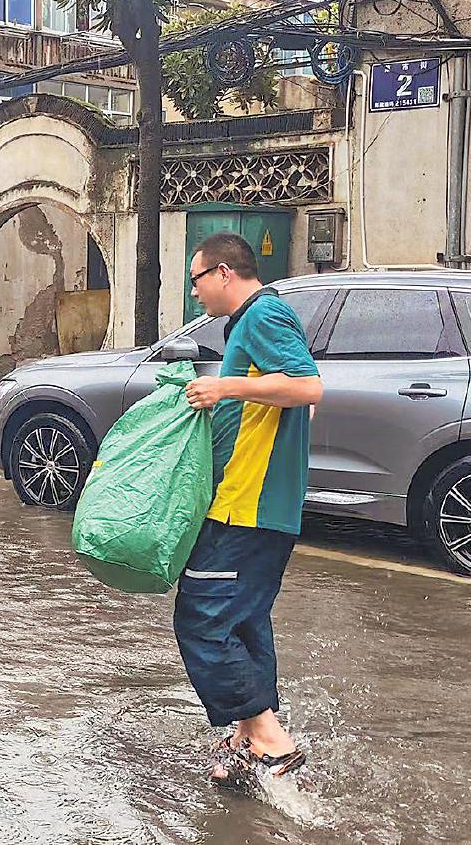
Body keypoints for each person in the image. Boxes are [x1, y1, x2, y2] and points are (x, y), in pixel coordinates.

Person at [177, 233, 324, 783]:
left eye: (196, 280)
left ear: (222, 273)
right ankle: (248, 739)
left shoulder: (263, 315)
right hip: (257, 503)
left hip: (249, 504)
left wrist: (224, 388)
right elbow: (292, 398)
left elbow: (308, 387)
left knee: (202, 618)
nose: (195, 294)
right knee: (242, 620)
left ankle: (270, 738)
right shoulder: (251, 321)